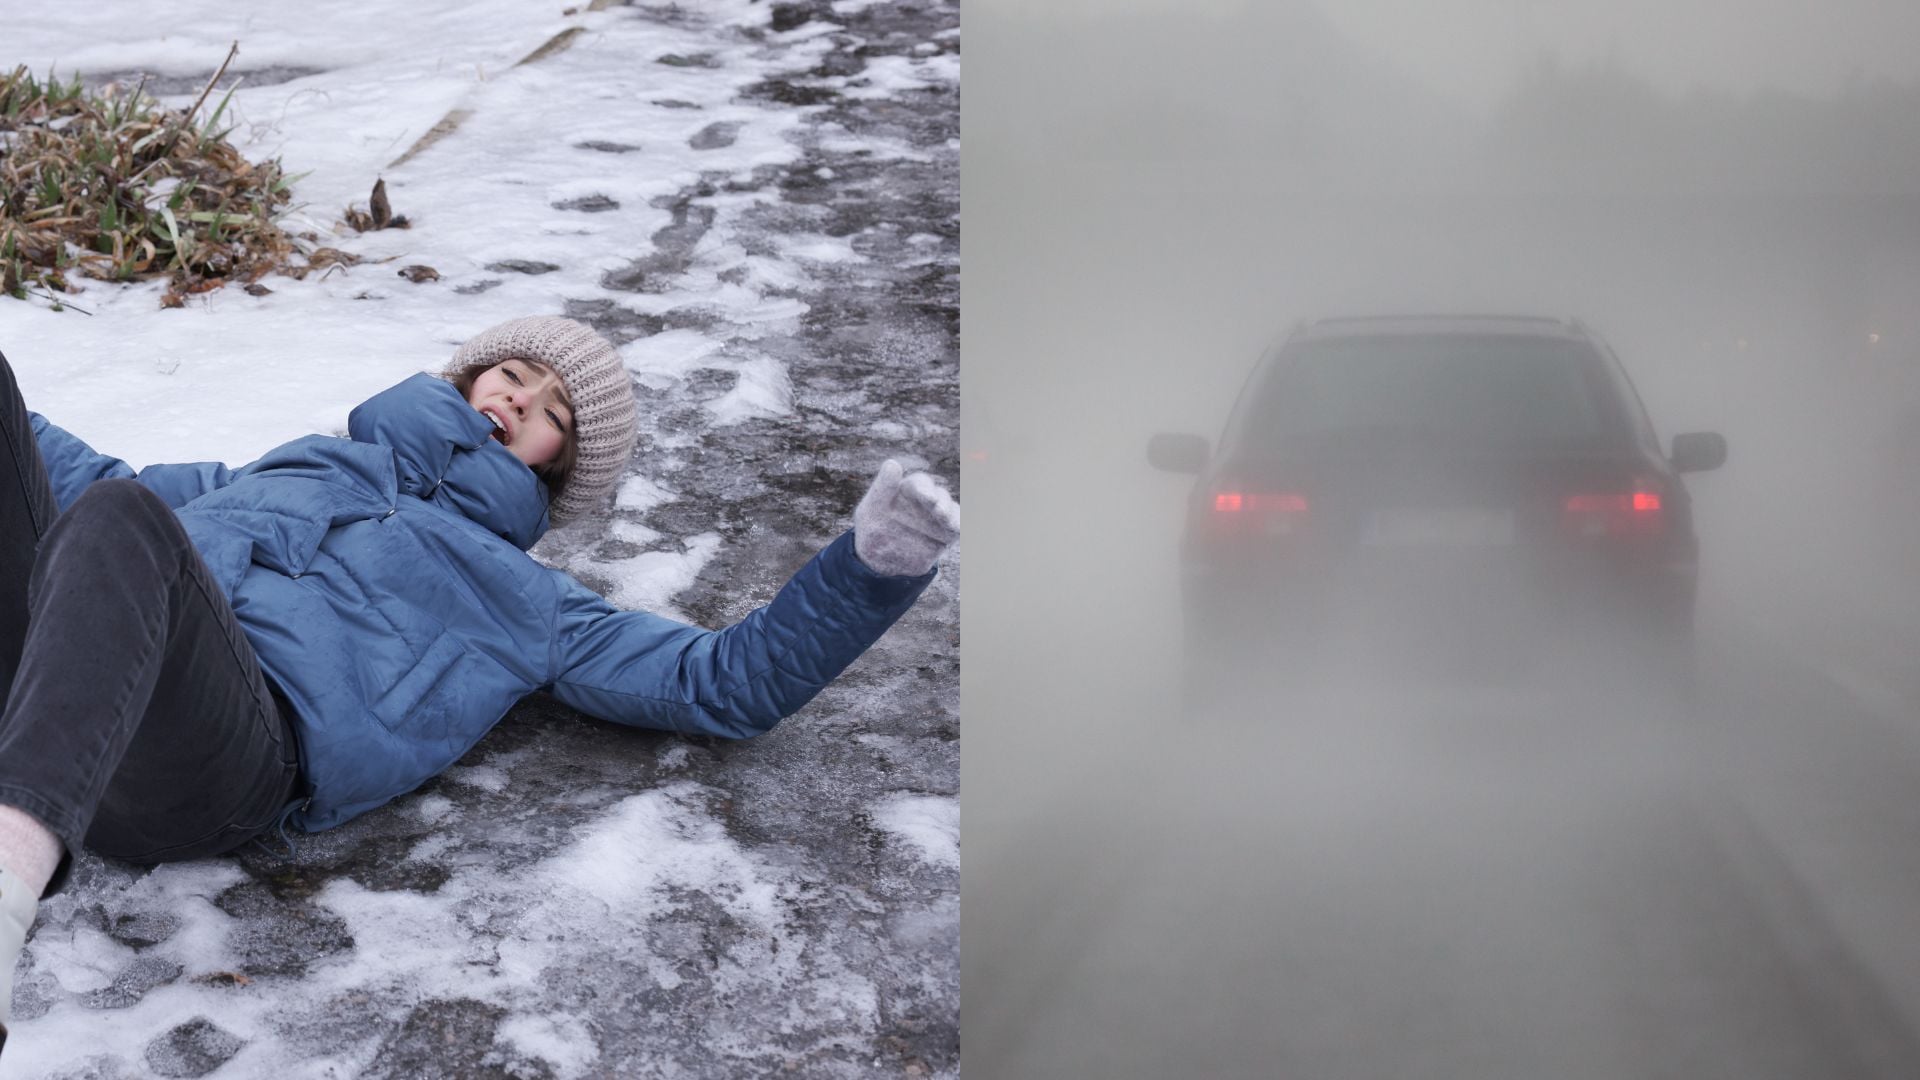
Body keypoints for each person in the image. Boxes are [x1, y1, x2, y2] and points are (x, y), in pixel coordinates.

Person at [0, 316, 959, 1050]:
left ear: (560, 468)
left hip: (216, 757)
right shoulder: (305, 463)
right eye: (515, 373)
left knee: (123, 520)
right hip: (64, 679)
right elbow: (93, 490)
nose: (521, 401)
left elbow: (721, 682)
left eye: (553, 414)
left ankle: (8, 878)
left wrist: (874, 567)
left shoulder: (532, 602)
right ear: (470, 372)